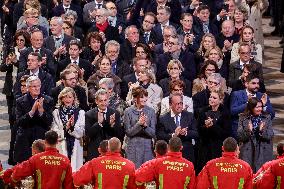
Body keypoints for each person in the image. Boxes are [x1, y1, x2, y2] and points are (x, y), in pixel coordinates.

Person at [14, 76, 54, 163]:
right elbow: (19, 122)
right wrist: (31, 112)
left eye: (38, 86)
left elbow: (50, 121)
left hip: (42, 140)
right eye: (34, 86)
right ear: (28, 88)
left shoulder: (48, 100)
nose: (37, 88)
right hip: (25, 141)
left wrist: (41, 112)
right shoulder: (20, 101)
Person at [196, 89, 231, 172]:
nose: (211, 99)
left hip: (218, 148)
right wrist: (206, 126)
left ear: (220, 100)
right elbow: (198, 130)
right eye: (210, 97)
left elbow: (226, 133)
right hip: (205, 147)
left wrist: (213, 126)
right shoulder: (203, 111)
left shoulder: (225, 113)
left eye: (214, 98)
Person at [157, 93, 198, 163]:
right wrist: (173, 135)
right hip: (170, 155)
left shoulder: (189, 116)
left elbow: (196, 133)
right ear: (170, 104)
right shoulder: (163, 119)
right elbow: (159, 135)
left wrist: (186, 133)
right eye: (177, 104)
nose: (179, 106)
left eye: (181, 103)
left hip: (187, 154)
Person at [230, 74, 275, 139]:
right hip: (241, 132)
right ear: (246, 84)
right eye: (253, 83)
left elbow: (272, 115)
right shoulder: (236, 94)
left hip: (259, 133)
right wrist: (247, 103)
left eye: (258, 83)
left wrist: (264, 105)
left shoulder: (262, 96)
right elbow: (232, 112)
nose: (256, 86)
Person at [51, 87, 85, 172]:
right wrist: (65, 128)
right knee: (62, 172)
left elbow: (81, 132)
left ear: (74, 98)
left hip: (76, 145)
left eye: (70, 97)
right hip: (61, 145)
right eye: (65, 97)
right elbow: (54, 132)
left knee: (75, 171)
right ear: (61, 98)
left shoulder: (80, 112)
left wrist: (72, 127)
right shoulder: (56, 113)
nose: (67, 99)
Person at [85, 89, 124, 160]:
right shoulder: (89, 114)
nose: (103, 103)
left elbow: (120, 134)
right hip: (95, 151)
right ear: (96, 101)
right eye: (101, 101)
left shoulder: (115, 113)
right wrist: (99, 123)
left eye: (105, 100)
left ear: (108, 100)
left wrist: (112, 126)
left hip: (111, 151)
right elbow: (88, 134)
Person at [238, 97, 274, 173]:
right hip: (248, 152)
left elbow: (270, 135)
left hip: (263, 152)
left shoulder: (267, 117)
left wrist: (261, 131)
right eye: (257, 107)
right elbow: (240, 136)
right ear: (251, 108)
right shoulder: (242, 117)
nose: (260, 109)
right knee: (248, 175)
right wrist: (249, 130)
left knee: (261, 177)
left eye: (261, 106)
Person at [124, 86, 156, 168]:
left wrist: (145, 126)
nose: (144, 99)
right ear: (135, 98)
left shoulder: (151, 111)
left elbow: (153, 133)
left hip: (147, 147)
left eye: (145, 96)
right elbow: (128, 132)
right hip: (132, 147)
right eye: (141, 97)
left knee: (146, 173)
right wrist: (139, 124)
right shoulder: (128, 111)